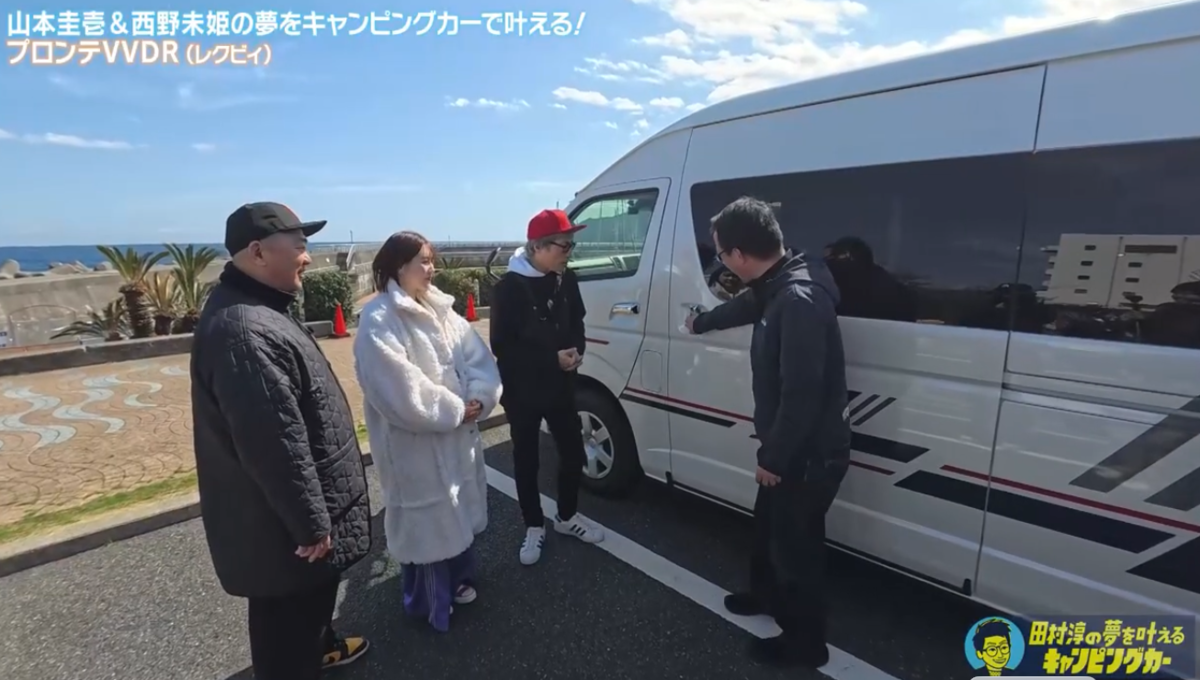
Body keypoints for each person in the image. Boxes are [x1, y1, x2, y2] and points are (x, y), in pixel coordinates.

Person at [191, 202, 371, 680]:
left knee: (304, 617)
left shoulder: (259, 308)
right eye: (299, 246)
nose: (307, 257)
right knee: (286, 633)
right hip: (284, 533)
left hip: (286, 526)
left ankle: (321, 648)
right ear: (257, 252)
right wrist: (310, 525)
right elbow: (273, 443)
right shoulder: (244, 332)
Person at [685, 196, 851, 669]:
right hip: (789, 443)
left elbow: (802, 395)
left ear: (739, 255)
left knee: (796, 547)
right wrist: (701, 322)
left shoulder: (798, 301)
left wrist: (774, 458)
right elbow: (747, 304)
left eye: (721, 254)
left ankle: (805, 644)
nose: (721, 262)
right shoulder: (780, 279)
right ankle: (764, 595)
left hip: (806, 453)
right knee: (768, 529)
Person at [353, 231, 502, 632]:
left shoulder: (442, 310)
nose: (431, 268)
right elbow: (397, 389)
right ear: (398, 265)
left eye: (431, 259)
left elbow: (478, 360)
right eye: (423, 260)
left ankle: (460, 580)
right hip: (412, 446)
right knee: (427, 526)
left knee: (457, 512)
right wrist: (454, 410)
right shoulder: (379, 318)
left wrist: (479, 398)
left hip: (456, 436)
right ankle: (426, 602)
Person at [490, 208, 606, 566]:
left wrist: (577, 351)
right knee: (527, 459)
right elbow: (502, 346)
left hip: (560, 385)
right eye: (564, 246)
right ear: (537, 247)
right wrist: (550, 359)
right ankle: (533, 524)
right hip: (523, 390)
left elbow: (577, 321)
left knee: (572, 452)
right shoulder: (509, 288)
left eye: (572, 246)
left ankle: (567, 516)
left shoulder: (566, 279)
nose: (569, 253)